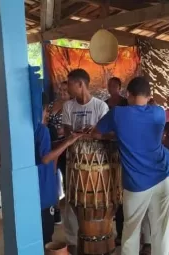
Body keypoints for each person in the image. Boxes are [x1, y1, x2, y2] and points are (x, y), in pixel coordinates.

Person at [91, 76, 169, 255]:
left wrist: (114, 136)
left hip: (137, 184)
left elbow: (96, 133)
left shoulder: (118, 113)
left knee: (131, 232)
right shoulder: (159, 112)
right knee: (161, 230)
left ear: (128, 94)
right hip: (163, 178)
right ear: (149, 95)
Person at [61, 68, 109, 251]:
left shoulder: (100, 106)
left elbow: (106, 134)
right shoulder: (68, 106)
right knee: (72, 200)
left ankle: (98, 237)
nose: (68, 87)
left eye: (70, 84)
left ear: (80, 84)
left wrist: (94, 132)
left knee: (96, 201)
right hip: (74, 162)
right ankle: (73, 241)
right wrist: (76, 134)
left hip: (96, 164)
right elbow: (66, 132)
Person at [37, 93, 83, 245]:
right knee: (46, 233)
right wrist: (68, 142)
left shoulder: (26, 128)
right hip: (43, 183)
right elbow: (46, 158)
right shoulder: (42, 129)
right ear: (44, 109)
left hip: (35, 186)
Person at [47, 81, 70, 224]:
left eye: (65, 90)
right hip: (50, 145)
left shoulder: (71, 106)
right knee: (52, 177)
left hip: (64, 145)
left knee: (67, 177)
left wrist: (60, 131)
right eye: (60, 89)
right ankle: (55, 210)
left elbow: (70, 128)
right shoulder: (51, 105)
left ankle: (69, 209)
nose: (62, 92)